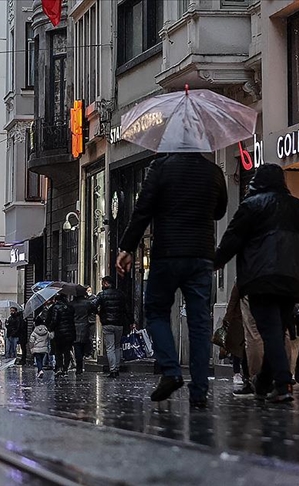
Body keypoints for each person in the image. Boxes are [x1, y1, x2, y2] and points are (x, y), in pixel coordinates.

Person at [116, 152, 227, 407]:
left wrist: (127, 247)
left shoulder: (161, 167)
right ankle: (199, 389)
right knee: (200, 322)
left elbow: (142, 210)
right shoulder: (213, 172)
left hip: (167, 253)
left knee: (155, 311)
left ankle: (171, 370)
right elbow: (220, 211)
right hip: (201, 255)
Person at [215, 164, 299, 403]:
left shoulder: (251, 206)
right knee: (277, 331)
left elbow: (230, 241)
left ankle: (283, 383)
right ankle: (264, 383)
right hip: (293, 281)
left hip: (260, 279)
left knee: (270, 331)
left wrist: (212, 263)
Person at [93, 276, 129, 378]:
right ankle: (116, 368)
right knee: (117, 346)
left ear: (107, 283)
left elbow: (92, 305)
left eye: (103, 283)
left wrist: (98, 313)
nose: (102, 285)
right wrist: (131, 321)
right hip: (119, 323)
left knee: (110, 347)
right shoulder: (120, 294)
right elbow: (126, 309)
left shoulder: (102, 295)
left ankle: (113, 369)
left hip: (107, 323)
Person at [46, 294, 75, 377]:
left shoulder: (56, 307)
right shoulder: (70, 307)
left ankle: (60, 367)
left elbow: (54, 320)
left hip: (59, 333)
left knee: (58, 351)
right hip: (69, 332)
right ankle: (66, 369)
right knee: (67, 351)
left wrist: (50, 328)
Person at [69, 287, 94, 375]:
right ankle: (82, 363)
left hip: (74, 327)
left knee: (77, 347)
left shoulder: (71, 304)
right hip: (85, 326)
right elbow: (92, 311)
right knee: (83, 346)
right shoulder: (87, 303)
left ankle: (79, 367)